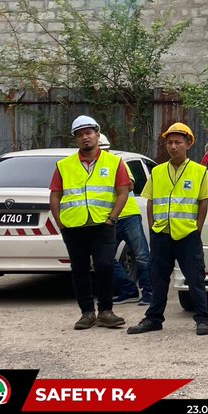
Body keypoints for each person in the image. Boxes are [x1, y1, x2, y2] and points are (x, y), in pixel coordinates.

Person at [126, 123, 208, 336]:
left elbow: (204, 202)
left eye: (178, 142)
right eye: (169, 142)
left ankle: (203, 318)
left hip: (187, 234)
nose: (173, 146)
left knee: (195, 278)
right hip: (162, 234)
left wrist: (197, 228)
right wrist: (153, 227)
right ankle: (154, 318)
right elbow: (150, 201)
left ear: (188, 144)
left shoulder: (200, 172)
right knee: (158, 279)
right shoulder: (157, 172)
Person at [48, 115, 130, 330]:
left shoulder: (114, 162)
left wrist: (112, 218)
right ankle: (86, 313)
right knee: (80, 270)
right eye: (80, 134)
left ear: (97, 134)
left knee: (105, 266)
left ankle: (105, 311)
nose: (85, 138)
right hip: (73, 227)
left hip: (103, 225)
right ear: (75, 139)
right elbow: (55, 195)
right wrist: (60, 223)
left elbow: (123, 192)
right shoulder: (64, 165)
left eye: (88, 133)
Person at [99, 134, 152, 306]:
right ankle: (128, 289)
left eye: (103, 149)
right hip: (107, 218)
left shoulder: (116, 163)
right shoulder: (89, 169)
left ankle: (148, 293)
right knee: (104, 258)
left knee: (142, 255)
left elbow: (129, 185)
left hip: (128, 215)